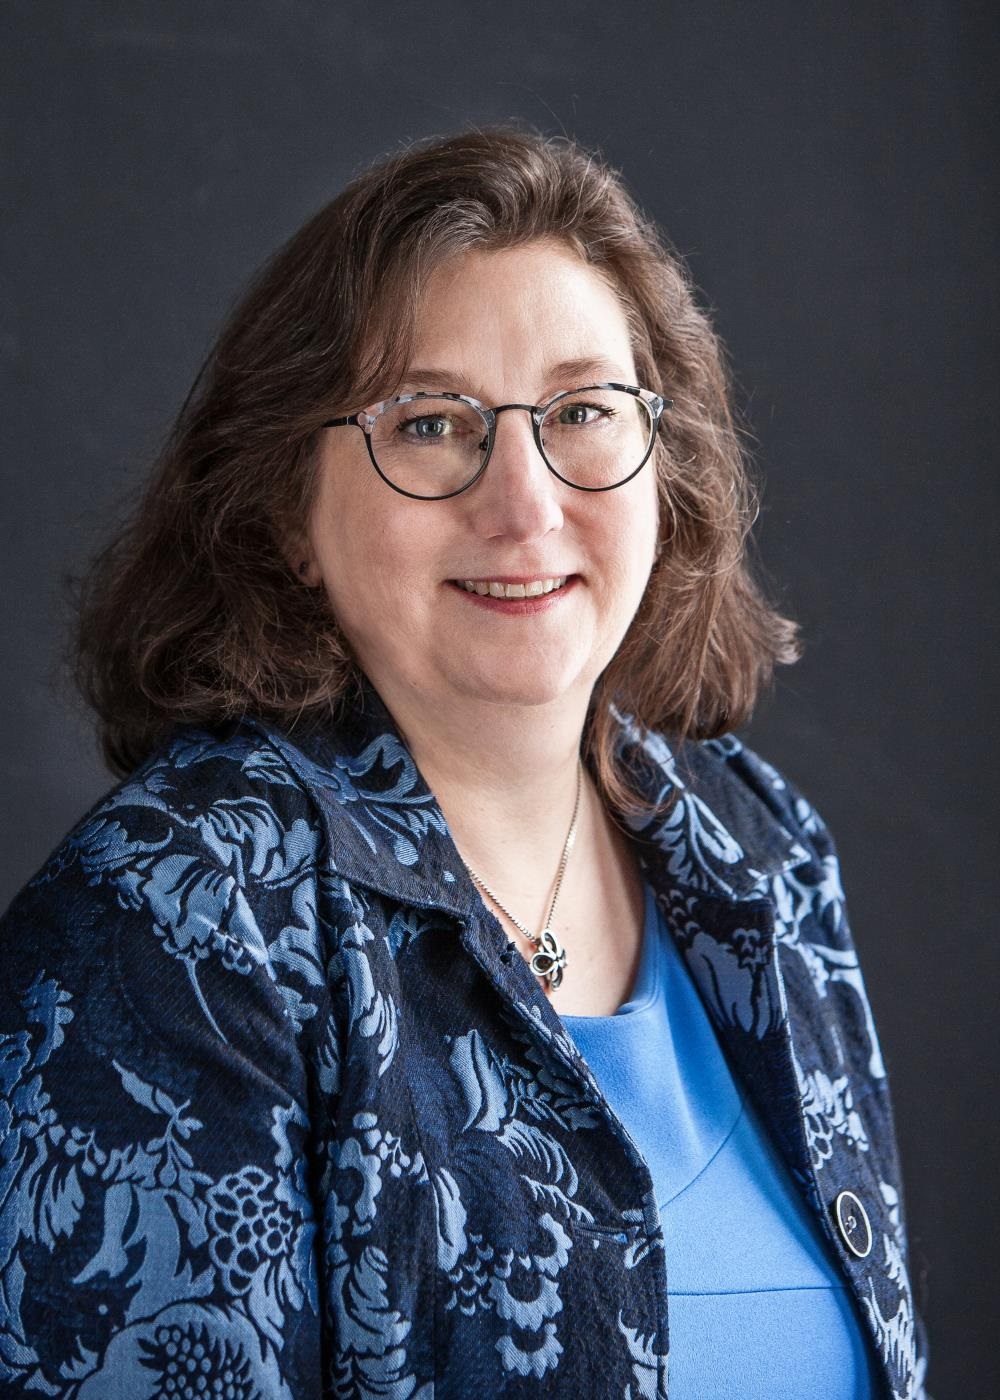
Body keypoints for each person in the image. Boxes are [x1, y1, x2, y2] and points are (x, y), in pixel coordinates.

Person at [0, 128, 928, 1399]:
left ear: (667, 466)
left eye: (583, 411)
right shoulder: (176, 913)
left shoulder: (761, 852)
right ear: (285, 511)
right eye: (431, 423)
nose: (525, 500)